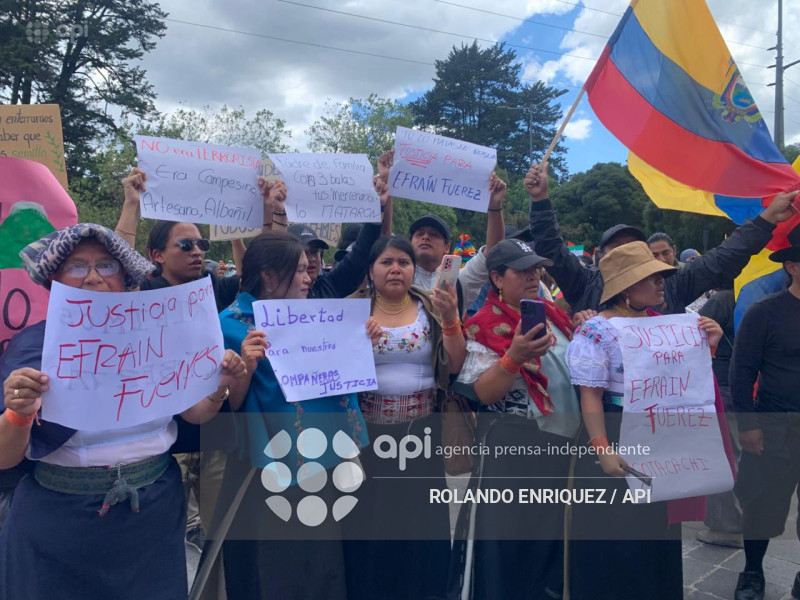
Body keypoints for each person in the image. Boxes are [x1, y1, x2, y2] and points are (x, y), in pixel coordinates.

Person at [0, 224, 247, 599]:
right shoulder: (33, 347)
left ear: (125, 278)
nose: (95, 278)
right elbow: (5, 457)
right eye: (78, 267)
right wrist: (18, 413)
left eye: (107, 266)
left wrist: (218, 386)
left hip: (151, 516)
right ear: (55, 281)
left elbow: (194, 416)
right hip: (59, 523)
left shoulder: (159, 338)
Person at [216, 231, 370, 600]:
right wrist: (246, 368)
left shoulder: (316, 316)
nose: (309, 277)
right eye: (299, 271)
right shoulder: (229, 326)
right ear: (269, 276)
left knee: (325, 561)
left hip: (328, 458)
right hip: (271, 469)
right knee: (280, 566)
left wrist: (362, 341)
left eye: (308, 269)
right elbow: (223, 409)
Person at [564, 241, 723, 599]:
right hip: (615, 430)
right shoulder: (596, 331)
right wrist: (602, 448)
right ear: (625, 287)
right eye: (651, 277)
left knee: (655, 533)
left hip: (658, 437)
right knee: (616, 538)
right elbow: (590, 394)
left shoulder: (669, 325)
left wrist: (708, 344)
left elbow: (684, 383)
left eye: (662, 276)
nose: (661, 283)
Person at [450, 239, 582, 599]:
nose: (533, 275)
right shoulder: (482, 325)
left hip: (562, 448)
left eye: (536, 268)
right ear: (496, 277)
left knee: (550, 542)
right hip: (512, 451)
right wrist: (514, 357)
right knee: (507, 547)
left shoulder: (553, 316)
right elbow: (481, 394)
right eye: (522, 270)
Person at [342, 236, 465, 600]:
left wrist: (451, 319)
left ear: (414, 270)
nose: (396, 269)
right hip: (366, 437)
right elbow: (331, 372)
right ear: (370, 270)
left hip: (420, 435)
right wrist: (355, 344)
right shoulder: (350, 311)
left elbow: (455, 364)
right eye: (386, 262)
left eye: (403, 262)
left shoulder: (432, 306)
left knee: (418, 525)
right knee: (369, 523)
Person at [525, 161, 800, 314]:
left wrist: (767, 220)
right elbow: (550, 247)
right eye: (617, 249)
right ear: (600, 257)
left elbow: (723, 258)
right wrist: (540, 200)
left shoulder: (673, 283)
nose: (628, 254)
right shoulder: (584, 283)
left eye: (635, 247)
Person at [730, 224, 800, 600]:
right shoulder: (764, 313)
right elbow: (741, 372)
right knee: (760, 504)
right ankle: (752, 572)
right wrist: (748, 425)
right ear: (792, 266)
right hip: (774, 425)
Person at [376, 147, 507, 310]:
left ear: (447, 247)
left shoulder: (460, 281)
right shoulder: (397, 275)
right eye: (419, 234)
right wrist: (387, 181)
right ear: (409, 243)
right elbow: (383, 237)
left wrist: (494, 205)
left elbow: (493, 253)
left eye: (434, 234)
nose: (425, 237)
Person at [288, 177, 391, 300]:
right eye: (303, 253)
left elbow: (361, 254)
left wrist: (376, 208)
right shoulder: (276, 294)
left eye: (315, 251)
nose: (311, 259)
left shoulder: (331, 284)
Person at [695, 285, 743, 549]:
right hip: (749, 387)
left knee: (724, 454)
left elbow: (691, 331)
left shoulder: (726, 298)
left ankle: (728, 526)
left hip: (723, 385)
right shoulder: (766, 293)